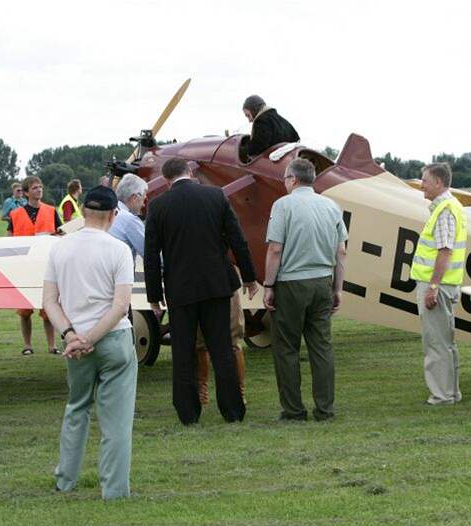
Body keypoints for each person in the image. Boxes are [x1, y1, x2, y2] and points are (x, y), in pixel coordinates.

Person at [144, 158, 257, 425]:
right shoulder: (215, 196)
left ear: (167, 179)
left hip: (179, 288)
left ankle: (188, 412)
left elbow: (151, 255)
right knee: (222, 349)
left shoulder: (158, 206)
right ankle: (232, 410)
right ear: (191, 172)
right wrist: (250, 276)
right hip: (216, 284)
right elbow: (236, 239)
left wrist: (153, 296)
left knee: (183, 352)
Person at [43, 185, 137, 498]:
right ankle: (114, 490)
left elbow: (50, 301)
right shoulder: (118, 249)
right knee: (116, 422)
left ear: (83, 211)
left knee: (76, 408)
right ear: (113, 215)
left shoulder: (59, 248)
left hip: (75, 341)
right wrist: (91, 338)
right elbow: (120, 305)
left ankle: (65, 479)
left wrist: (72, 336)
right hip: (113, 338)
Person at [262, 158, 348, 421]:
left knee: (287, 347)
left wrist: (268, 284)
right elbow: (341, 251)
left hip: (291, 283)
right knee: (321, 346)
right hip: (323, 280)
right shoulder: (331, 206)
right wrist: (338, 289)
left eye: (285, 179)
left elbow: (275, 249)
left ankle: (293, 409)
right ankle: (325, 409)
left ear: (293, 179)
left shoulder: (283, 205)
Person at [410, 162, 467, 406]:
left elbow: (445, 250)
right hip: (446, 284)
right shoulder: (451, 206)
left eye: (425, 180)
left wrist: (433, 286)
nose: (421, 184)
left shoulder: (444, 209)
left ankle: (441, 395)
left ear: (438, 183)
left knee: (436, 342)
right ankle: (451, 392)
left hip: (437, 286)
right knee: (445, 341)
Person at [9, 176, 62, 355]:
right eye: (34, 188)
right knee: (24, 311)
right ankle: (27, 345)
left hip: (46, 266)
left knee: (49, 308)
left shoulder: (51, 211)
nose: (39, 190)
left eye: (40, 187)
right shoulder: (15, 214)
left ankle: (51, 345)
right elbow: (9, 239)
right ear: (26, 192)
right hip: (24, 267)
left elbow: (60, 234)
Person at [242, 95, 300, 159]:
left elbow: (258, 146)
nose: (249, 120)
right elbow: (296, 139)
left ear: (254, 110)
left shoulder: (261, 121)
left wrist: (243, 150)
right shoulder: (281, 120)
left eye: (248, 115)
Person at [109, 173, 147, 260]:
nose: (144, 205)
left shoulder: (110, 211)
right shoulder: (129, 220)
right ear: (134, 197)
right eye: (143, 200)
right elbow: (148, 252)